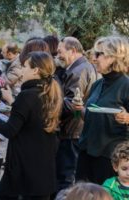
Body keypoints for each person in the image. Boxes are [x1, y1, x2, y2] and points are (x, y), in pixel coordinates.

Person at [0, 51, 63, 200]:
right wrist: (12, 102)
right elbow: (32, 120)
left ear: (35, 70)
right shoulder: (50, 94)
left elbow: (9, 130)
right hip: (43, 171)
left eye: (25, 66)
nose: (21, 70)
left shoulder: (27, 95)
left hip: (25, 170)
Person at [75, 36, 129, 185]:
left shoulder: (126, 85)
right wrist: (79, 110)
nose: (93, 58)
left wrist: (128, 118)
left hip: (109, 157)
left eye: (98, 54)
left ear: (113, 57)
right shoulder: (98, 84)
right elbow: (90, 118)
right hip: (86, 153)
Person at [56, 36, 97, 191]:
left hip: (72, 131)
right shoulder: (81, 67)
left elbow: (73, 103)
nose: (58, 55)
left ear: (72, 51)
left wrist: (50, 107)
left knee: (66, 178)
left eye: (60, 51)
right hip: (74, 130)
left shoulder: (79, 70)